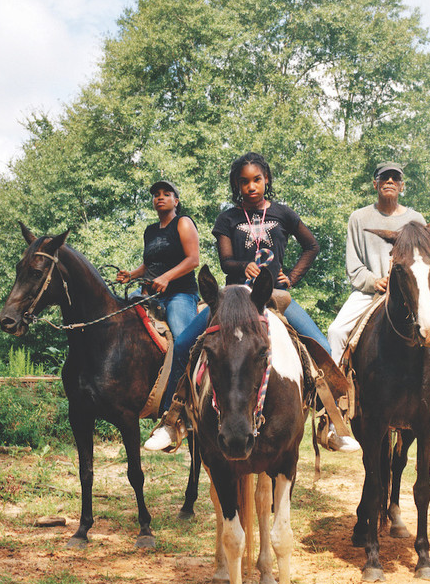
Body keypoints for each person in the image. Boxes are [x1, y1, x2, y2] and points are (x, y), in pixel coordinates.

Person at [144, 151, 357, 451]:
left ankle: (331, 421)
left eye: (256, 180)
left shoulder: (283, 213)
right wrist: (242, 266)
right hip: (233, 299)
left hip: (275, 296)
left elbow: (311, 245)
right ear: (237, 185)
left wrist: (292, 277)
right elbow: (225, 261)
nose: (251, 187)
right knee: (182, 346)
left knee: (320, 344)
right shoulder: (227, 218)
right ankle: (173, 419)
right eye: (244, 182)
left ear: (266, 179)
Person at [327, 162, 430, 425]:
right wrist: (374, 281)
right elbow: (354, 265)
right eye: (384, 178)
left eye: (395, 178)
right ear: (375, 184)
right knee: (336, 331)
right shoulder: (358, 219)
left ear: (402, 185)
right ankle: (337, 402)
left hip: (412, 292)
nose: (390, 181)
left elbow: (423, 260)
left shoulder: (415, 219)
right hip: (370, 292)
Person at [116, 179, 200, 340]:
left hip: (179, 293)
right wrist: (130, 275)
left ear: (176, 201)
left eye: (166, 194)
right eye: (156, 195)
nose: (160, 197)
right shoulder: (150, 231)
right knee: (117, 317)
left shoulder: (183, 222)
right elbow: (148, 265)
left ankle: (190, 363)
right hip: (149, 293)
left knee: (182, 336)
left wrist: (166, 277)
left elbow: (193, 260)